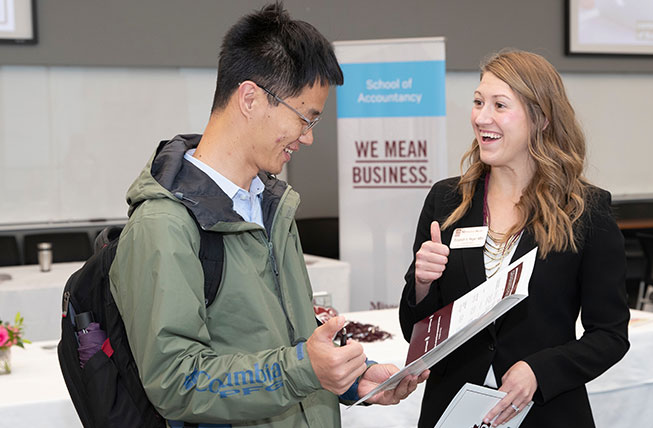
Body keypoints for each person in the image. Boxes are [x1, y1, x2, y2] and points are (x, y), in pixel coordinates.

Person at [109, 4, 426, 427]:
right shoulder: (165, 225)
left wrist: (353, 379)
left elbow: (285, 339)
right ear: (250, 98)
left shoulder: (271, 205)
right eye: (304, 117)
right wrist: (303, 370)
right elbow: (175, 381)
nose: (308, 137)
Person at [399, 49, 630, 427]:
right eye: (477, 102)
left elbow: (610, 335)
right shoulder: (446, 201)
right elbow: (416, 333)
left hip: (546, 412)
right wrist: (422, 285)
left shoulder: (585, 210)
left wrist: (540, 371)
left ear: (541, 118)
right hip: (453, 410)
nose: (481, 117)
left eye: (499, 105)